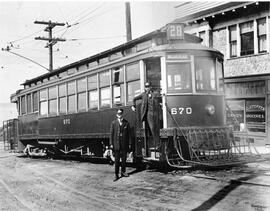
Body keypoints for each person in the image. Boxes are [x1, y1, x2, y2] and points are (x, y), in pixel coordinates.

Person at [131, 81, 161, 156]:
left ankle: (158, 144)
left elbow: (159, 99)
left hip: (156, 113)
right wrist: (133, 106)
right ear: (145, 87)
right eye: (146, 86)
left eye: (148, 86)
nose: (147, 88)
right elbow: (134, 99)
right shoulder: (143, 94)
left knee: (157, 128)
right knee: (152, 128)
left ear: (151, 87)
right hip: (148, 114)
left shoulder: (155, 93)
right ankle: (158, 144)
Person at [110, 109, 131, 181]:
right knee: (117, 160)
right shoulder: (113, 123)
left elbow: (129, 135)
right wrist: (111, 144)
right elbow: (111, 134)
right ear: (116, 115)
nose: (119, 115)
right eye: (118, 114)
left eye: (121, 113)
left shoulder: (126, 123)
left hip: (124, 144)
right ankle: (116, 174)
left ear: (122, 114)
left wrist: (130, 144)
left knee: (124, 159)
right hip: (116, 144)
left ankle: (123, 172)